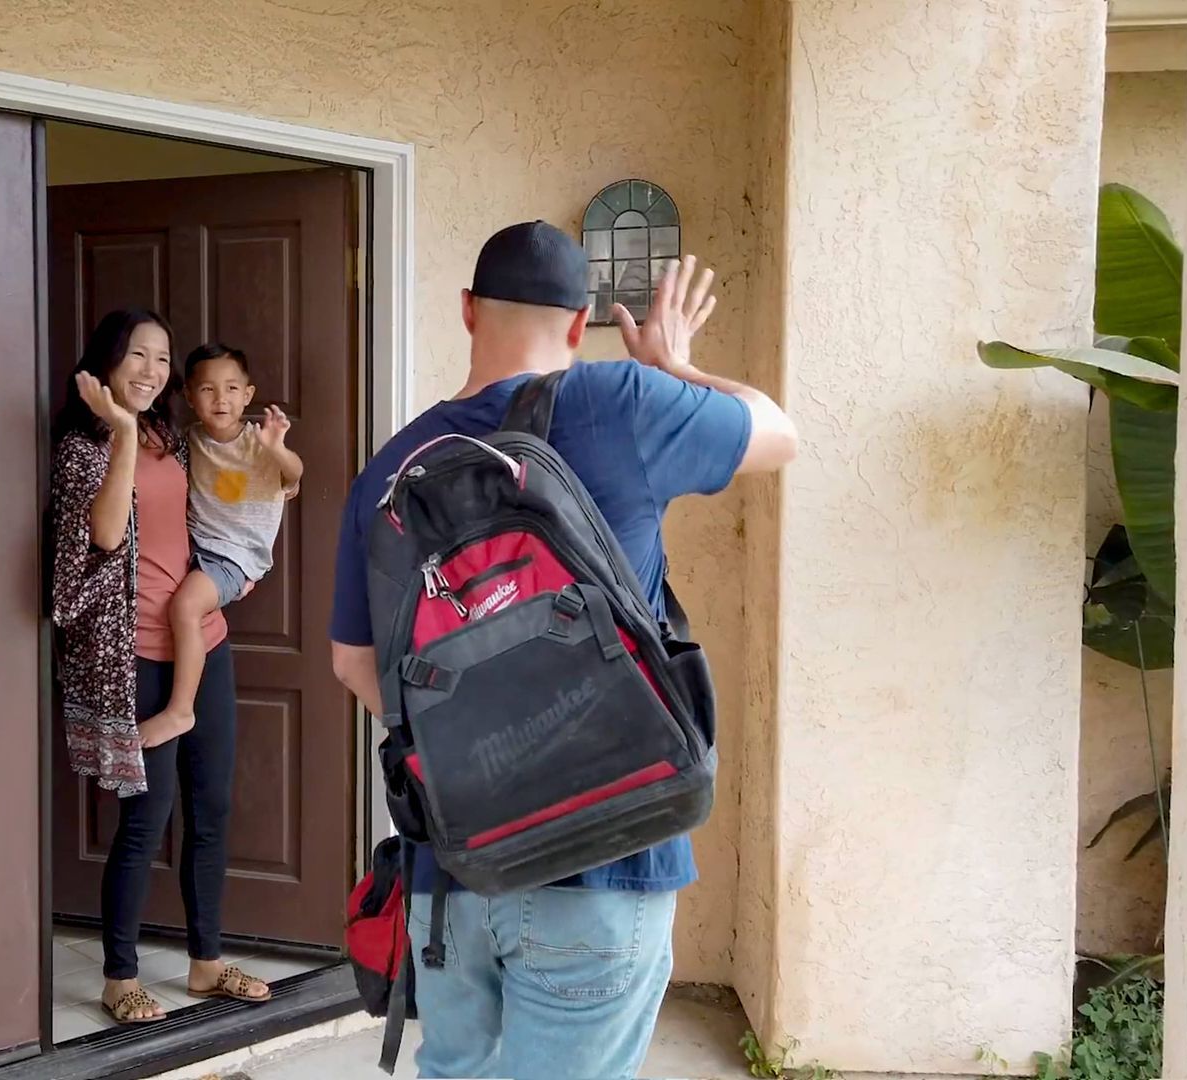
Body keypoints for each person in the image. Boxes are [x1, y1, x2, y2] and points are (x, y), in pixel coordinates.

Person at [328, 222, 798, 1079]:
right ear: (582, 325)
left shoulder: (392, 470)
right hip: (608, 860)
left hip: (455, 870)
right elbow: (779, 432)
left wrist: (485, 745)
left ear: (467, 311)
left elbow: (356, 667)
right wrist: (675, 365)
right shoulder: (623, 402)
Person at [47, 309, 272, 1026]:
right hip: (136, 654)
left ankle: (206, 963)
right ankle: (120, 975)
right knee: (147, 821)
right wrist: (116, 433)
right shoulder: (87, 446)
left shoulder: (173, 438)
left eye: (161, 358)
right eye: (136, 355)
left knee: (212, 811)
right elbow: (107, 533)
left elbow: (225, 502)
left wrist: (242, 563)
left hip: (204, 642)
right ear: (109, 363)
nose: (149, 369)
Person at [145, 343, 303, 745]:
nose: (221, 399)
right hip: (194, 544)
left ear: (247, 395)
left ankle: (180, 711)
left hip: (233, 555)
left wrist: (278, 450)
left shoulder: (258, 443)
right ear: (189, 397)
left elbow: (295, 474)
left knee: (184, 606)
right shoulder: (189, 440)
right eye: (208, 390)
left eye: (232, 389)